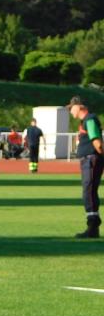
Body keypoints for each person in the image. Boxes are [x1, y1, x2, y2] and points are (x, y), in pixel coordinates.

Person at [67, 96, 103, 238]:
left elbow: (97, 142)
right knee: (89, 191)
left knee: (88, 191)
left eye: (72, 108)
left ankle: (93, 225)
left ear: (80, 106)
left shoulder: (89, 120)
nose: (70, 111)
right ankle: (93, 227)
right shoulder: (85, 121)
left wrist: (101, 154)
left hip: (91, 160)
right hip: (89, 160)